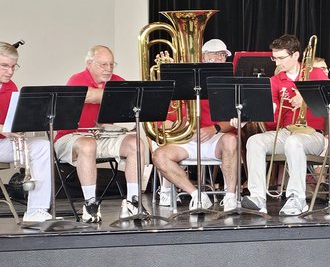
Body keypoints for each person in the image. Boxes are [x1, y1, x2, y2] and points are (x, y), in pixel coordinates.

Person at [55, 45, 149, 222]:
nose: (108, 69)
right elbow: (89, 96)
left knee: (136, 143)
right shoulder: (76, 79)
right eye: (103, 65)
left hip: (102, 136)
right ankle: (90, 203)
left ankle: (133, 201)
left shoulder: (117, 79)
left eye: (111, 65)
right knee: (87, 144)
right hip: (70, 138)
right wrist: (117, 95)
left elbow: (132, 101)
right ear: (89, 63)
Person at [150, 38, 242, 212]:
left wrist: (214, 129)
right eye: (216, 54)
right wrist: (181, 130)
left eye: (223, 55)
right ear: (203, 56)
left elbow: (237, 117)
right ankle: (196, 194)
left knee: (231, 141)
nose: (220, 58)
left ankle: (231, 196)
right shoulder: (182, 81)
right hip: (187, 139)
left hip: (215, 138)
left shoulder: (230, 81)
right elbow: (162, 119)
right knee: (159, 156)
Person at [244, 34, 329, 215]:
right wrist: (262, 112)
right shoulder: (275, 81)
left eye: (281, 58)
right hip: (286, 132)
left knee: (294, 142)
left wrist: (307, 98)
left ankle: (297, 198)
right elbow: (271, 123)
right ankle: (258, 197)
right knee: (254, 141)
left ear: (296, 55)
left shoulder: (316, 74)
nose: (276, 63)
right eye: (274, 58)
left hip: (314, 135)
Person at [0, 42, 55, 223]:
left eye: (14, 67)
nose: (10, 71)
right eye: (5, 66)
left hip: (2, 142)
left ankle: (36, 210)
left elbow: (11, 122)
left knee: (42, 146)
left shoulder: (11, 87)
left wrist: (20, 127)